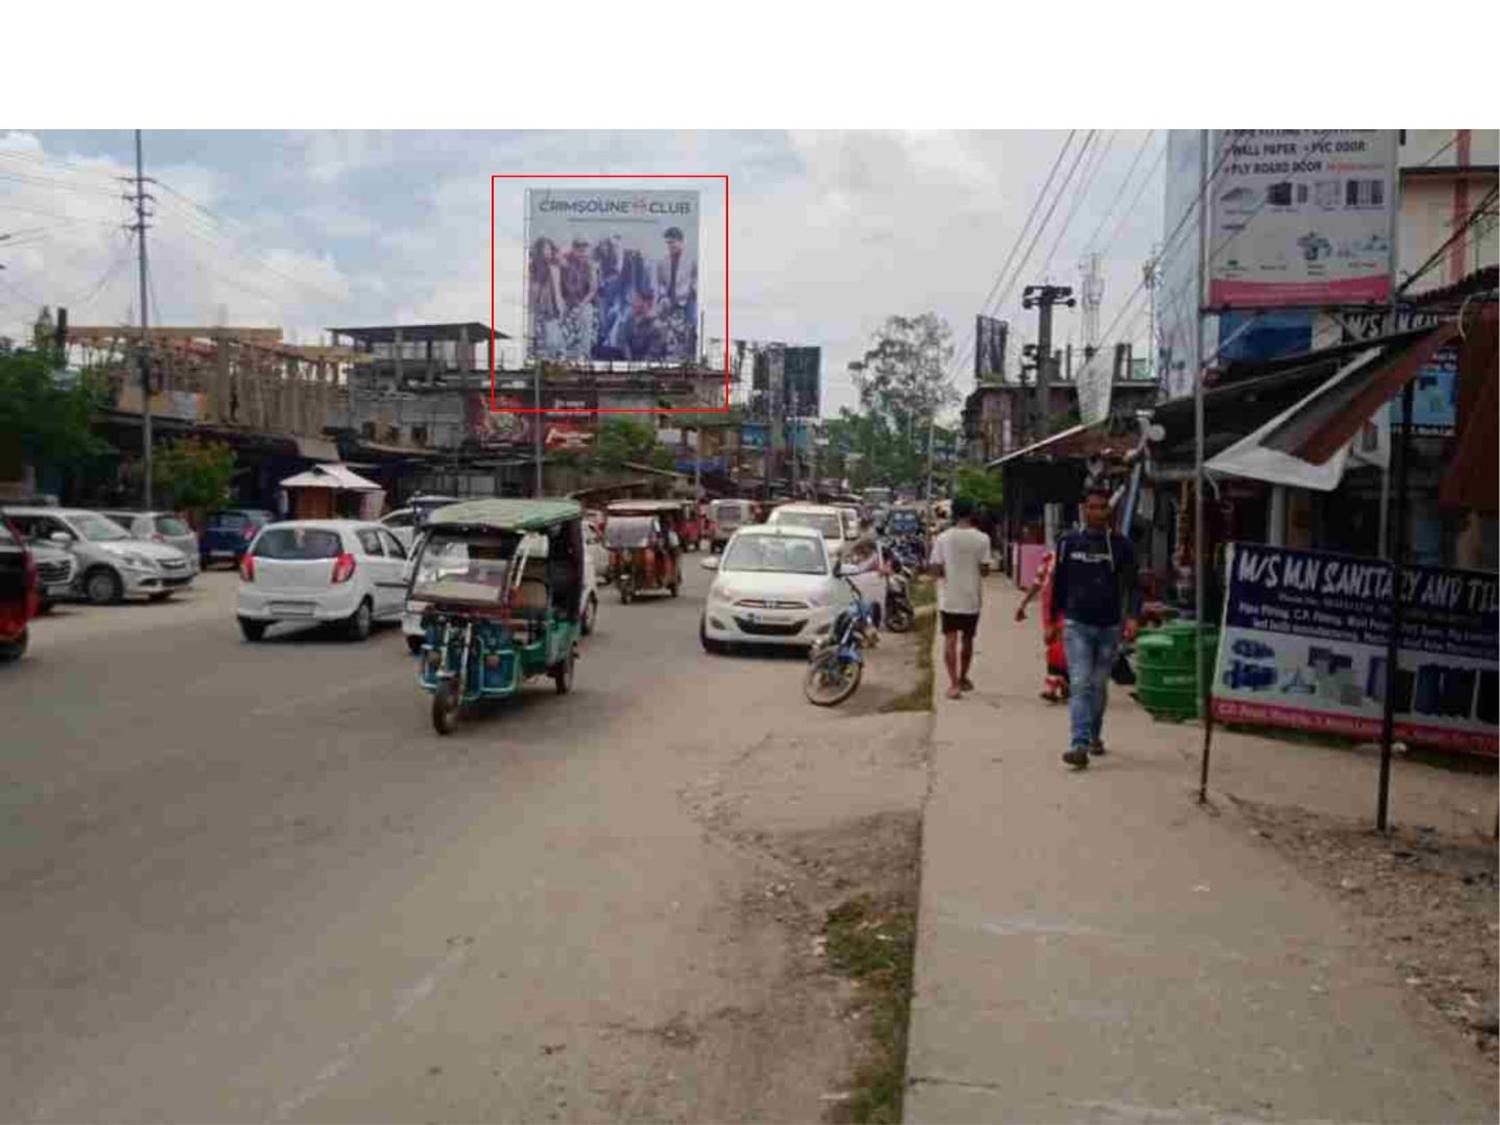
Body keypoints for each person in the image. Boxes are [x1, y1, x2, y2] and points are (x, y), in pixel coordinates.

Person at [1052, 484, 1139, 769]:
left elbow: (1132, 586)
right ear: (1083, 509)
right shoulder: (1068, 542)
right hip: (1076, 624)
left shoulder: (1121, 546)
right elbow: (1059, 583)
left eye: (1102, 507)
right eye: (1091, 507)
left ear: (1109, 510)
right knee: (1080, 683)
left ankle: (1094, 736)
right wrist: (1053, 620)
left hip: (1109, 627)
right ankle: (1078, 744)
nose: (1097, 512)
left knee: (1098, 686)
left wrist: (1133, 618)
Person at [927, 496, 992, 701]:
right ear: (973, 512)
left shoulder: (943, 538)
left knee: (950, 639)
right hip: (971, 599)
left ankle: (953, 685)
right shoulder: (983, 539)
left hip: (949, 598)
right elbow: (984, 571)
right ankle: (964, 677)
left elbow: (935, 570)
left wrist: (947, 570)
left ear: (954, 513)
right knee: (968, 640)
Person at [1014, 547, 1068, 703]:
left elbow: (1037, 583)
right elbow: (1038, 583)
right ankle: (1060, 683)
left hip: (1066, 608)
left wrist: (1023, 604)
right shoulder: (1050, 557)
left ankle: (1054, 684)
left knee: (1060, 646)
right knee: (1056, 645)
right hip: (1052, 607)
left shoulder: (1054, 557)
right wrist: (1023, 604)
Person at [654, 226, 697, 359]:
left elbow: (696, 280)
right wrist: (663, 296)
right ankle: (667, 354)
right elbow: (660, 282)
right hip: (668, 302)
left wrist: (690, 293)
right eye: (668, 243)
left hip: (687, 301)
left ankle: (687, 355)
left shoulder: (692, 260)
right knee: (662, 328)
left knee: (689, 330)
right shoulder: (663, 262)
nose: (669, 246)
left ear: (681, 241)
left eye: (672, 242)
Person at [558, 238, 598, 362]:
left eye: (584, 250)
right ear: (573, 249)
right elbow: (558, 255)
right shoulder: (565, 262)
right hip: (566, 300)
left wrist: (581, 305)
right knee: (558, 317)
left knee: (587, 314)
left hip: (583, 301)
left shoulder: (590, 265)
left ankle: (584, 353)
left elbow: (593, 290)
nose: (582, 253)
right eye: (579, 249)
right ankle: (560, 352)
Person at [528, 238, 563, 356]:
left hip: (550, 311)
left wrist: (559, 308)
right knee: (534, 340)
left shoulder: (554, 269)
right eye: (545, 249)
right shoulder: (530, 269)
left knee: (552, 342)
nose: (548, 252)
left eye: (549, 249)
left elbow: (557, 292)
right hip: (534, 311)